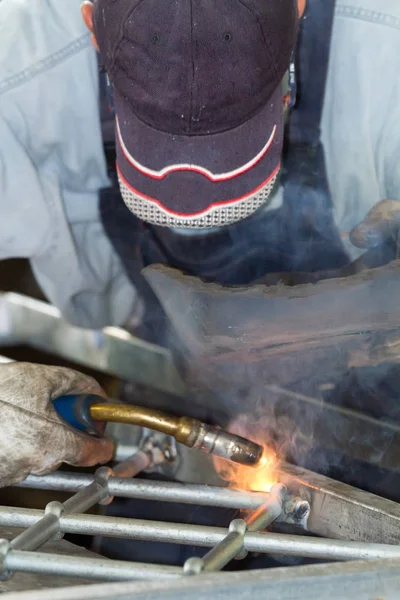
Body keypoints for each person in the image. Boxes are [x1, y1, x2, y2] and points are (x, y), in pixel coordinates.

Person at [0, 0, 399, 487]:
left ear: (299, 8)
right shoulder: (17, 75)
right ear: (92, 26)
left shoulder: (386, 49)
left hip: (380, 401)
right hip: (171, 382)